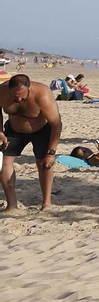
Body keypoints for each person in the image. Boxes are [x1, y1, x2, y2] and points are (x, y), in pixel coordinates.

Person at [1, 75, 62, 213]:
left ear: (29, 88)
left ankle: (47, 202)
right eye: (15, 96)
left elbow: (56, 124)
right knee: (4, 162)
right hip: (14, 130)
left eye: (22, 96)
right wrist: (0, 132)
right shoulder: (1, 92)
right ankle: (11, 205)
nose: (18, 99)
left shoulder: (43, 94)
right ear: (8, 90)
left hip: (41, 130)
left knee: (44, 163)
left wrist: (51, 153)